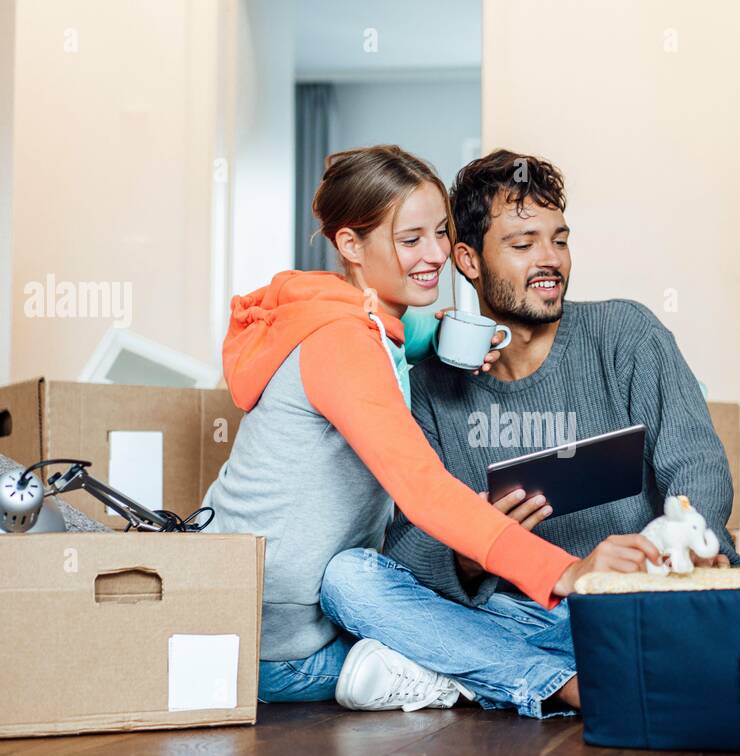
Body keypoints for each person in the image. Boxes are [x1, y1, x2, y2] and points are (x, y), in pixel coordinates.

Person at [202, 145, 660, 708]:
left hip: (304, 614)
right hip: (284, 649)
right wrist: (566, 571)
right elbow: (424, 492)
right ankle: (526, 681)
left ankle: (540, 664)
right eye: (410, 239)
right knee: (407, 604)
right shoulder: (341, 343)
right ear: (350, 245)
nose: (437, 254)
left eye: (441, 233)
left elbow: (400, 330)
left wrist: (443, 335)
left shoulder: (354, 318)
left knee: (451, 605)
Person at [320, 149, 740, 719]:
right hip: (512, 619)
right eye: (523, 245)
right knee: (348, 581)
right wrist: (472, 555)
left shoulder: (626, 335)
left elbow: (697, 465)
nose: (550, 261)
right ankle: (563, 685)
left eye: (559, 240)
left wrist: (686, 542)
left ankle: (460, 673)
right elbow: (404, 557)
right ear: (467, 260)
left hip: (632, 603)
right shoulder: (428, 390)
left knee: (706, 628)